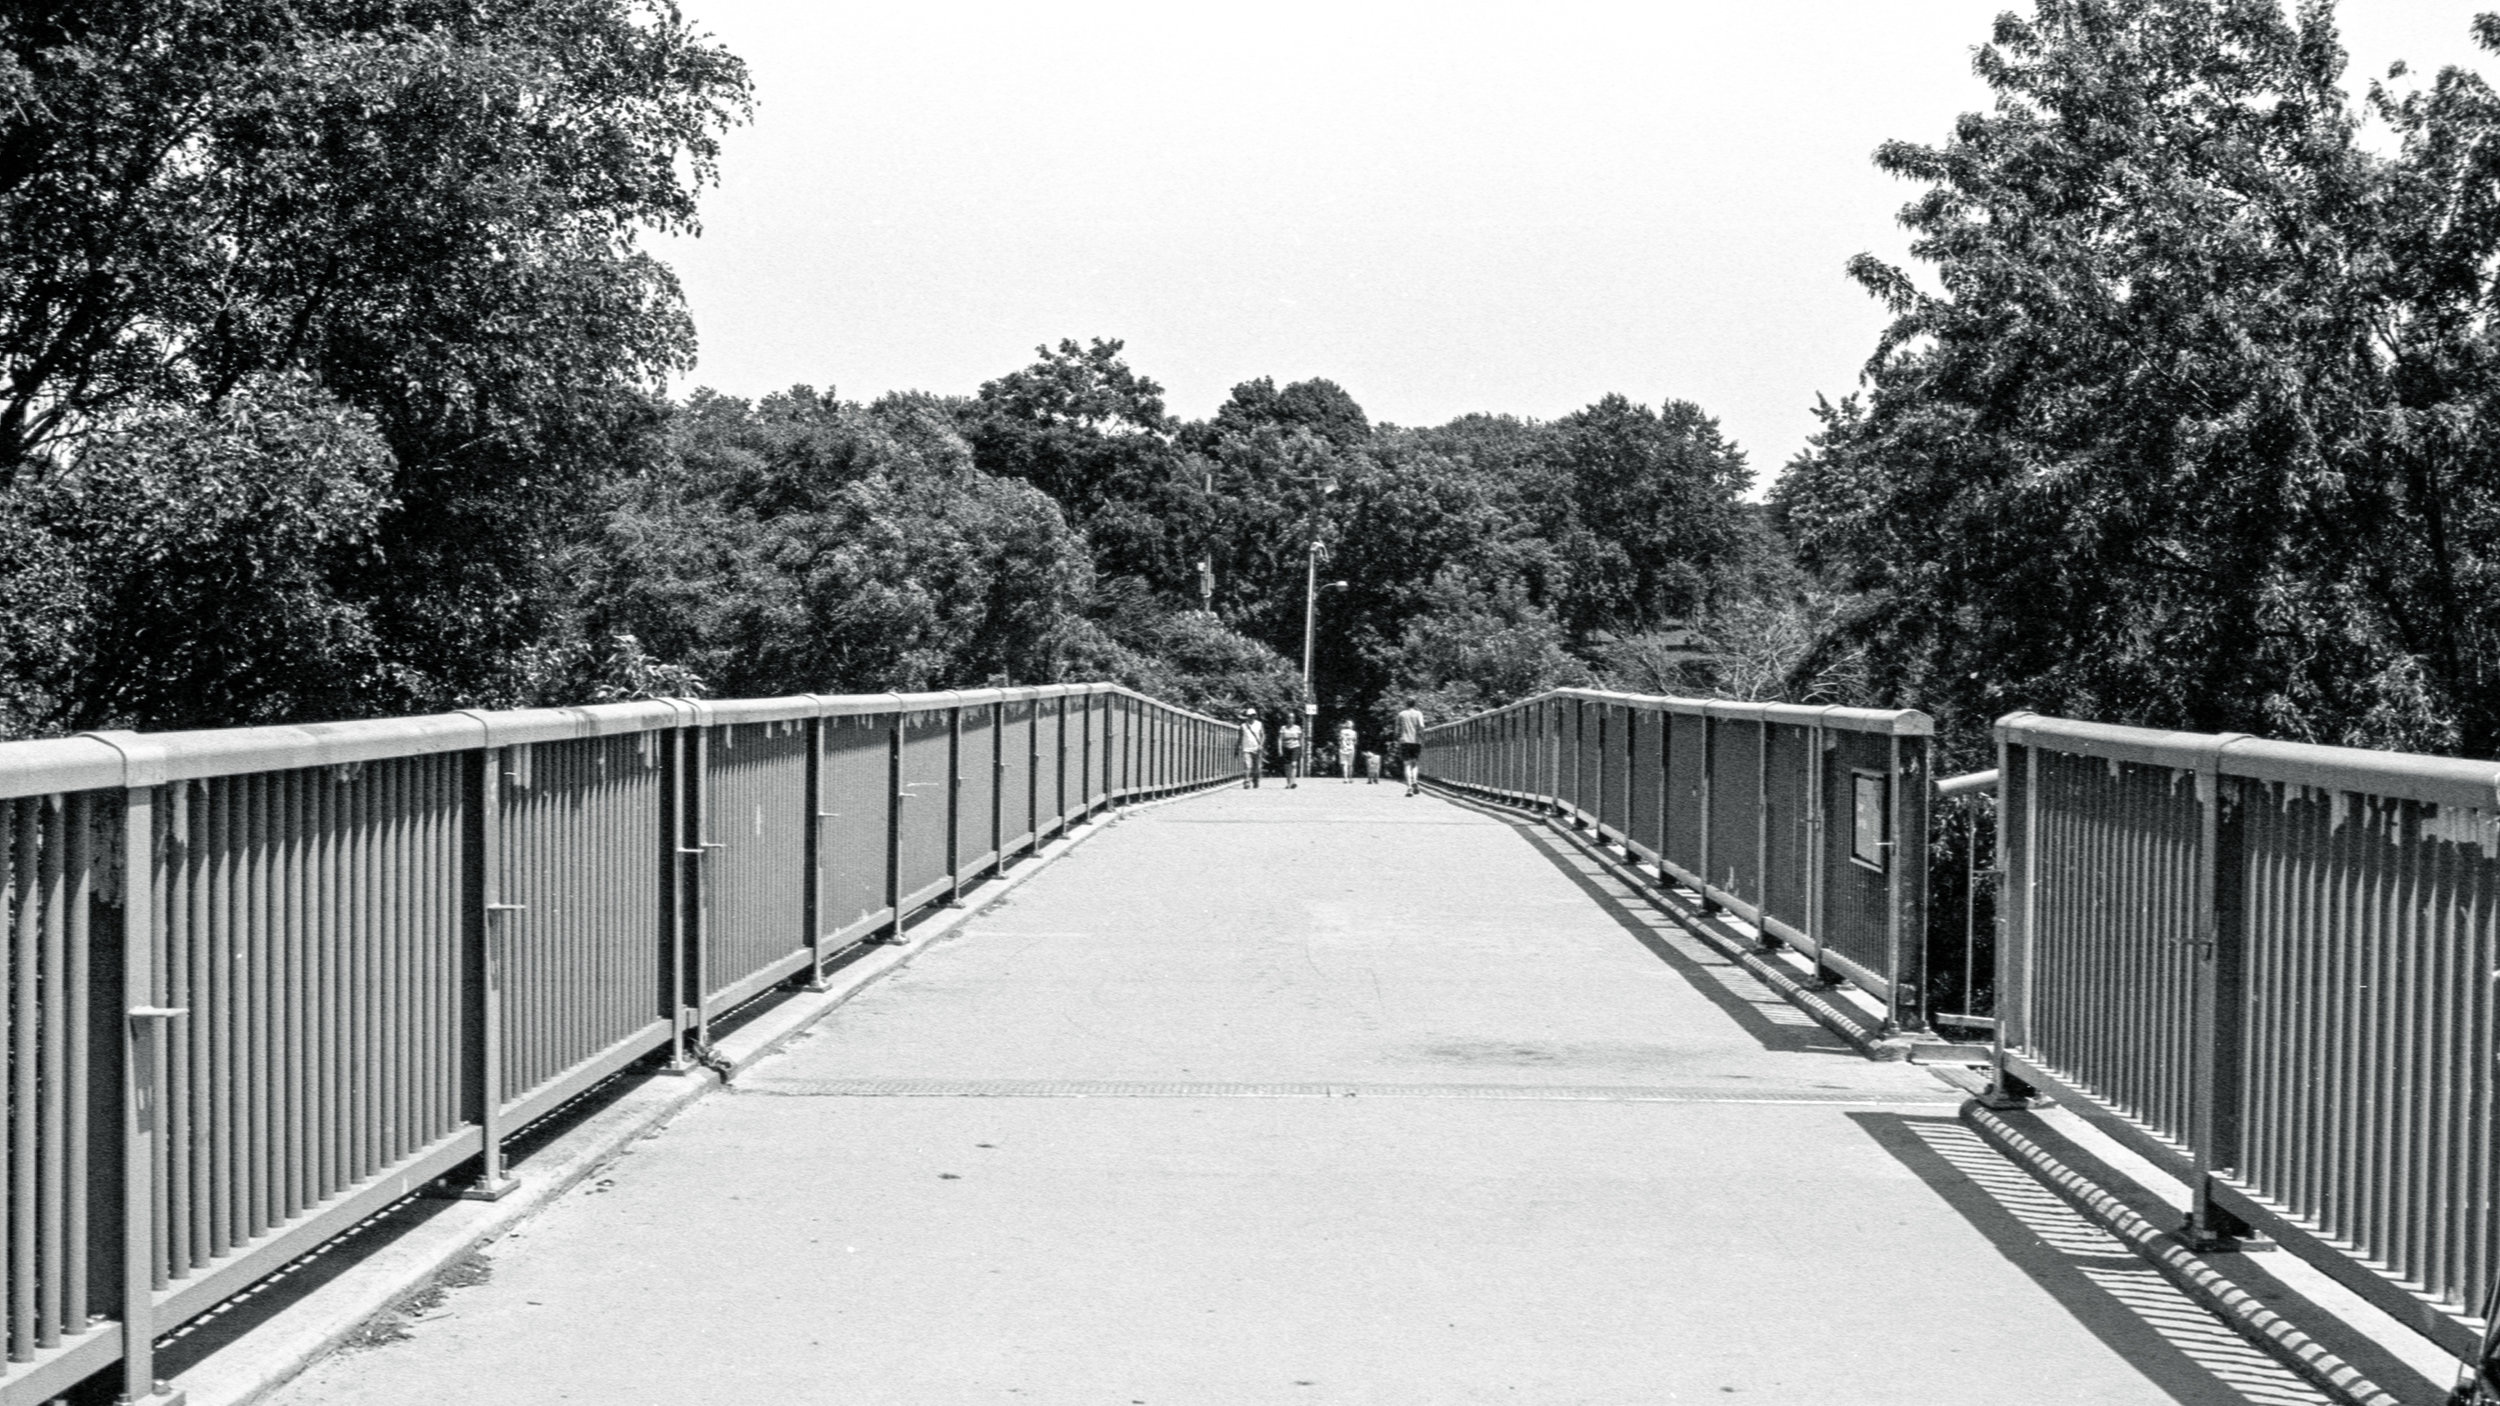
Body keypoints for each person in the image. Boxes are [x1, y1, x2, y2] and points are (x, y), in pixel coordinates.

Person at [1396, 699, 1426, 796]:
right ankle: (1415, 781)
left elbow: (1397, 729)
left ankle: (1409, 787)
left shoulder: (1401, 714)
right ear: (1415, 704)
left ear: (1406, 704)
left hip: (1404, 741)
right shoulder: (1418, 713)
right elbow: (1421, 726)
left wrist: (1398, 738)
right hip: (1416, 741)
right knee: (1415, 764)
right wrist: (1421, 736)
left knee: (1407, 765)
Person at [1238, 710, 1265, 788]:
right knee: (1247, 765)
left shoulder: (1259, 724)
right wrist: (1237, 747)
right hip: (1246, 748)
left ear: (1255, 716)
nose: (1251, 717)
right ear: (1247, 716)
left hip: (1257, 748)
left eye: (1253, 715)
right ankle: (1246, 781)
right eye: (1249, 715)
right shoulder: (1243, 726)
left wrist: (1261, 744)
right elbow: (1240, 737)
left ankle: (1255, 780)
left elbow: (1262, 735)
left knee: (1257, 767)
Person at [1279, 718, 1304, 788]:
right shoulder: (1283, 728)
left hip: (1295, 747)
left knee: (1294, 764)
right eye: (1289, 718)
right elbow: (1280, 739)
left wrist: (1302, 748)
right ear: (1287, 719)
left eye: (1292, 718)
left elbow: (1300, 739)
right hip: (1286, 747)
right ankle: (1288, 783)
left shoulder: (1297, 728)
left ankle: (1293, 782)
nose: (1291, 719)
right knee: (1287, 766)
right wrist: (1280, 749)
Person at [1337, 718, 1359, 782]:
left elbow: (1340, 739)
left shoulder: (1342, 731)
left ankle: (1345, 778)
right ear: (1352, 725)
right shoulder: (1354, 732)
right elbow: (1355, 741)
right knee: (1350, 764)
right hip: (1351, 748)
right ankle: (1350, 778)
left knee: (1344, 764)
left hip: (1343, 748)